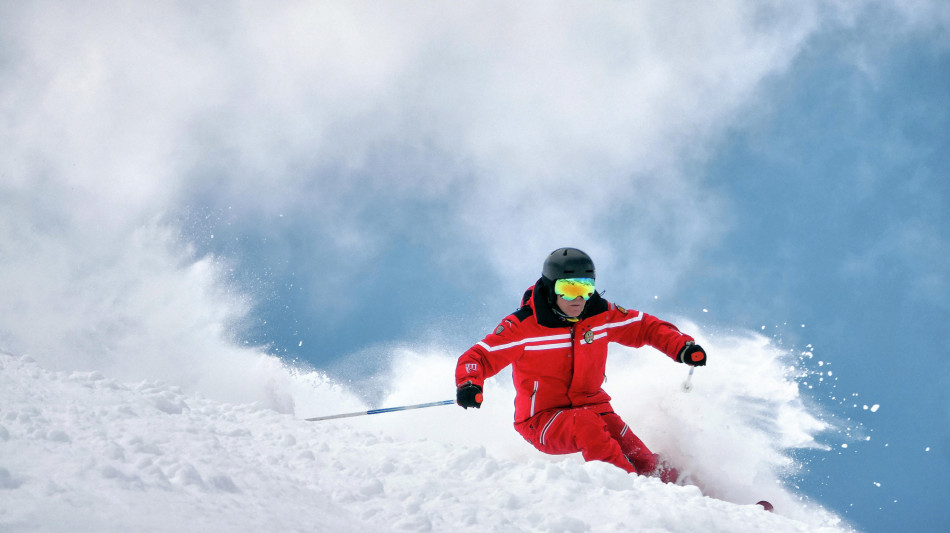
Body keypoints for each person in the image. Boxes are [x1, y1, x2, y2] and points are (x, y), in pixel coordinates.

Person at [455, 247, 706, 481]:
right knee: (586, 424)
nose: (579, 299)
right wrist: (469, 384)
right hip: (542, 420)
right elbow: (479, 356)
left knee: (637, 454)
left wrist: (681, 346)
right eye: (569, 289)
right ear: (551, 288)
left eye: (586, 288)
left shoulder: (600, 315)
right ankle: (627, 490)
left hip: (595, 409)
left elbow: (644, 326)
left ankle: (679, 485)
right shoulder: (524, 328)